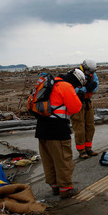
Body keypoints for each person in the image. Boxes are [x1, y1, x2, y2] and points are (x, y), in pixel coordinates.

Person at [35, 68, 85, 198]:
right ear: (75, 81)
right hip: (57, 129)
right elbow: (75, 108)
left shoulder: (52, 84)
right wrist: (78, 97)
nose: (77, 88)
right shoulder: (66, 86)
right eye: (78, 85)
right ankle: (66, 189)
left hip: (41, 128)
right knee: (63, 159)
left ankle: (55, 186)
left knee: (48, 160)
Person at [71, 59, 99, 159]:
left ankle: (88, 148)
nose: (91, 73)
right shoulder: (74, 74)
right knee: (79, 128)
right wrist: (85, 88)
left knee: (90, 126)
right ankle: (81, 151)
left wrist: (92, 87)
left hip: (88, 102)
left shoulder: (92, 74)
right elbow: (71, 88)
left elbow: (96, 85)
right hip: (78, 103)